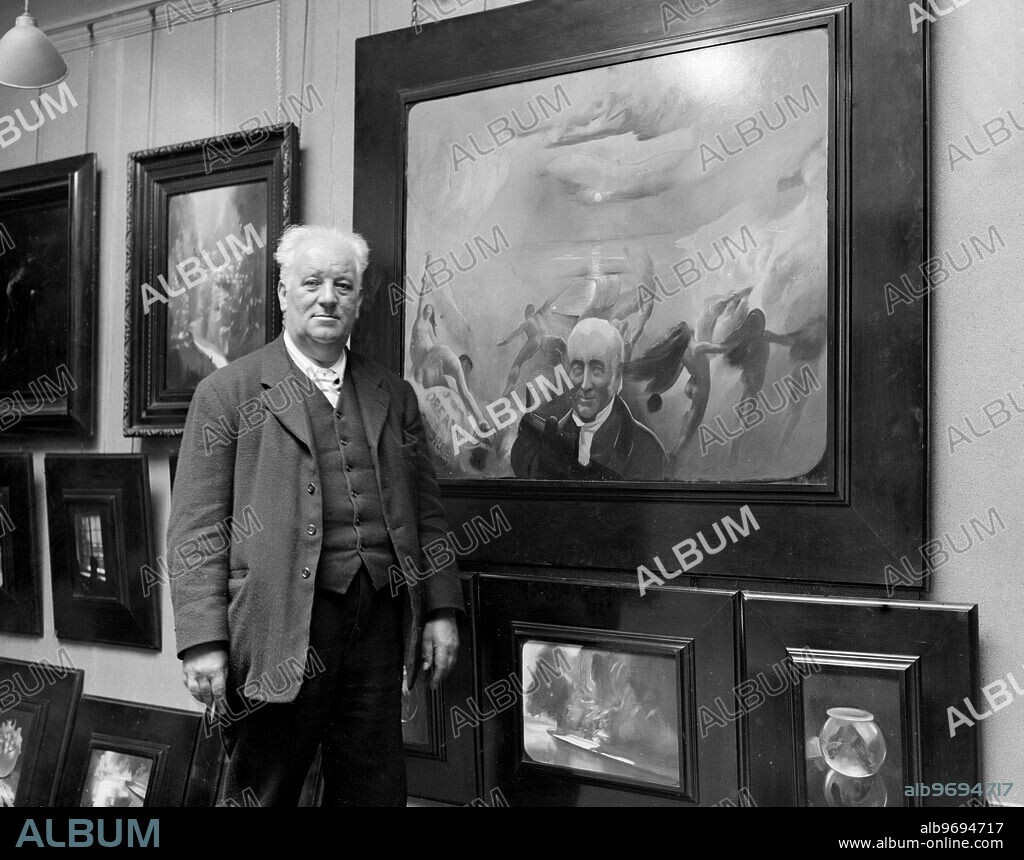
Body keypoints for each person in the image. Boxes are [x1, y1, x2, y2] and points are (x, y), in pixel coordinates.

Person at [167, 225, 464, 807]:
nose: (328, 297)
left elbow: (427, 513)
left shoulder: (393, 394)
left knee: (374, 791)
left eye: (343, 285)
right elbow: (197, 530)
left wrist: (442, 609)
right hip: (280, 622)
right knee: (263, 790)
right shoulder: (227, 394)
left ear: (358, 300)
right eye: (312, 283)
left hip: (380, 621)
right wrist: (202, 639)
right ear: (283, 294)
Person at [510, 317, 667, 480]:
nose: (585, 385)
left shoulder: (647, 450)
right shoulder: (543, 441)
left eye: (597, 370)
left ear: (617, 376)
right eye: (577, 369)